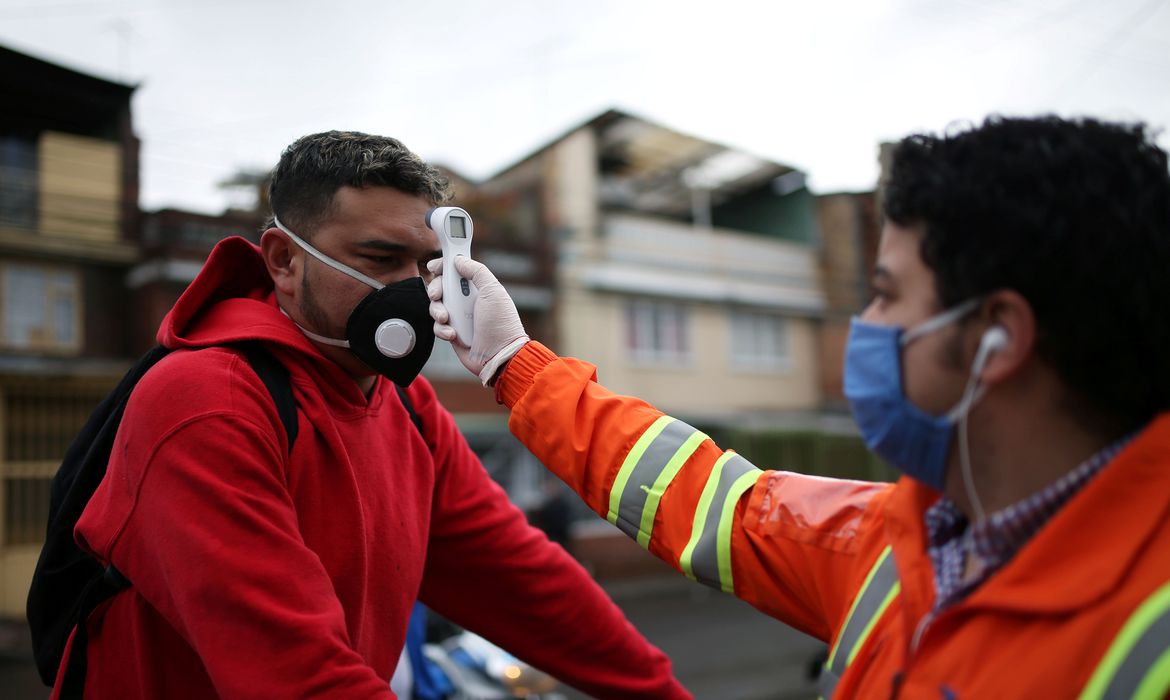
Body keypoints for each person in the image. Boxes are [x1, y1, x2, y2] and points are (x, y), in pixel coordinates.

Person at [428, 116, 1170, 698]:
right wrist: (511, 361)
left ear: (995, 337)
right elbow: (709, 499)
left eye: (884, 294)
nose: (864, 326)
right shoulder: (909, 538)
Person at [68, 131, 690, 699]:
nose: (414, 290)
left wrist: (660, 693)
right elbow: (298, 675)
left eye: (426, 265)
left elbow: (519, 580)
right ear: (283, 261)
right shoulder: (207, 404)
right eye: (380, 258)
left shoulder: (406, 404)